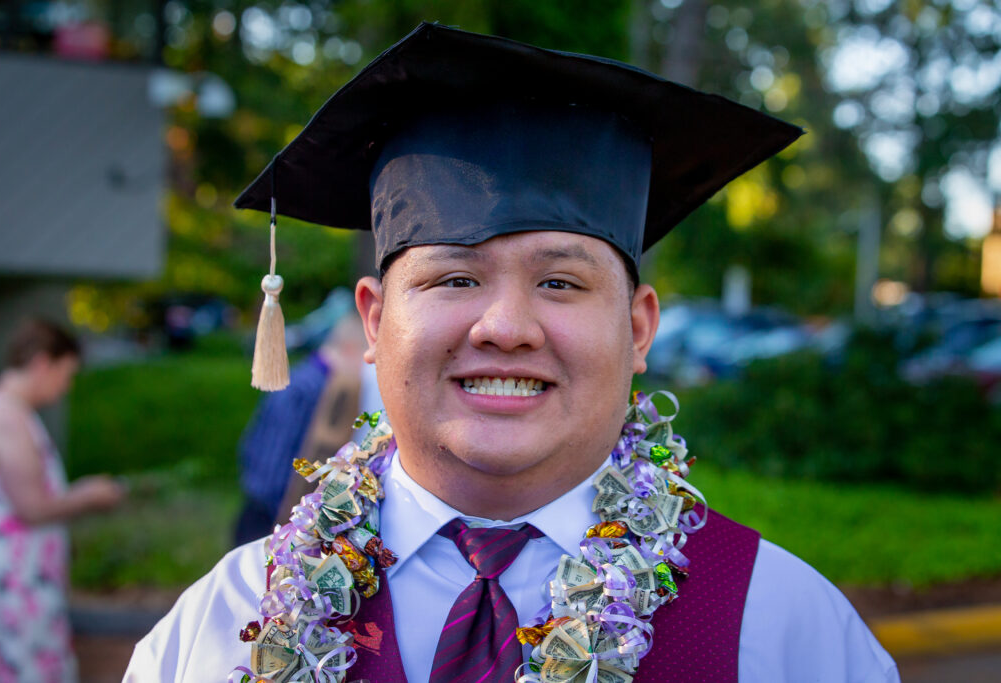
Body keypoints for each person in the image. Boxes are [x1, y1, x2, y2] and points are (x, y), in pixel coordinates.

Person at [125, 23, 898, 682]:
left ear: (637, 329)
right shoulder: (220, 629)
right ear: (373, 321)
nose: (504, 325)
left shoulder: (787, 633)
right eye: (455, 276)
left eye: (560, 282)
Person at [0, 318, 126, 683]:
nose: (65, 387)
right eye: (65, 374)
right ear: (41, 363)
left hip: (26, 576)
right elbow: (32, 508)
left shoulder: (12, 413)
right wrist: (87, 496)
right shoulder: (6, 416)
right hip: (18, 583)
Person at [235, 313, 382, 545]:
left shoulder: (303, 377)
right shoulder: (311, 388)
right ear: (350, 348)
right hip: (268, 510)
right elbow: (277, 457)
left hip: (262, 500)